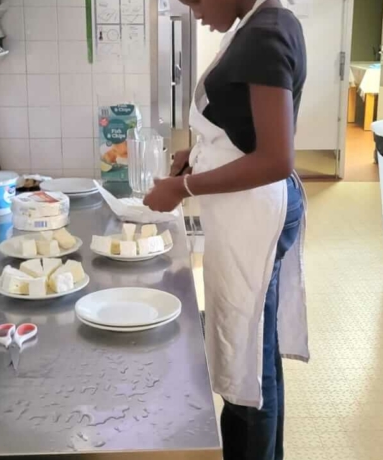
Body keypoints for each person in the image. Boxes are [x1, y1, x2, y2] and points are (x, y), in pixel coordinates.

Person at [143, 0, 309, 459]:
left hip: (255, 216)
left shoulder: (263, 35)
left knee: (247, 358)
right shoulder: (261, 23)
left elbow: (276, 159)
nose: (193, 11)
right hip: (246, 212)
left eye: (195, 0)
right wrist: (192, 159)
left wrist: (184, 186)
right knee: (254, 348)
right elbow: (243, 131)